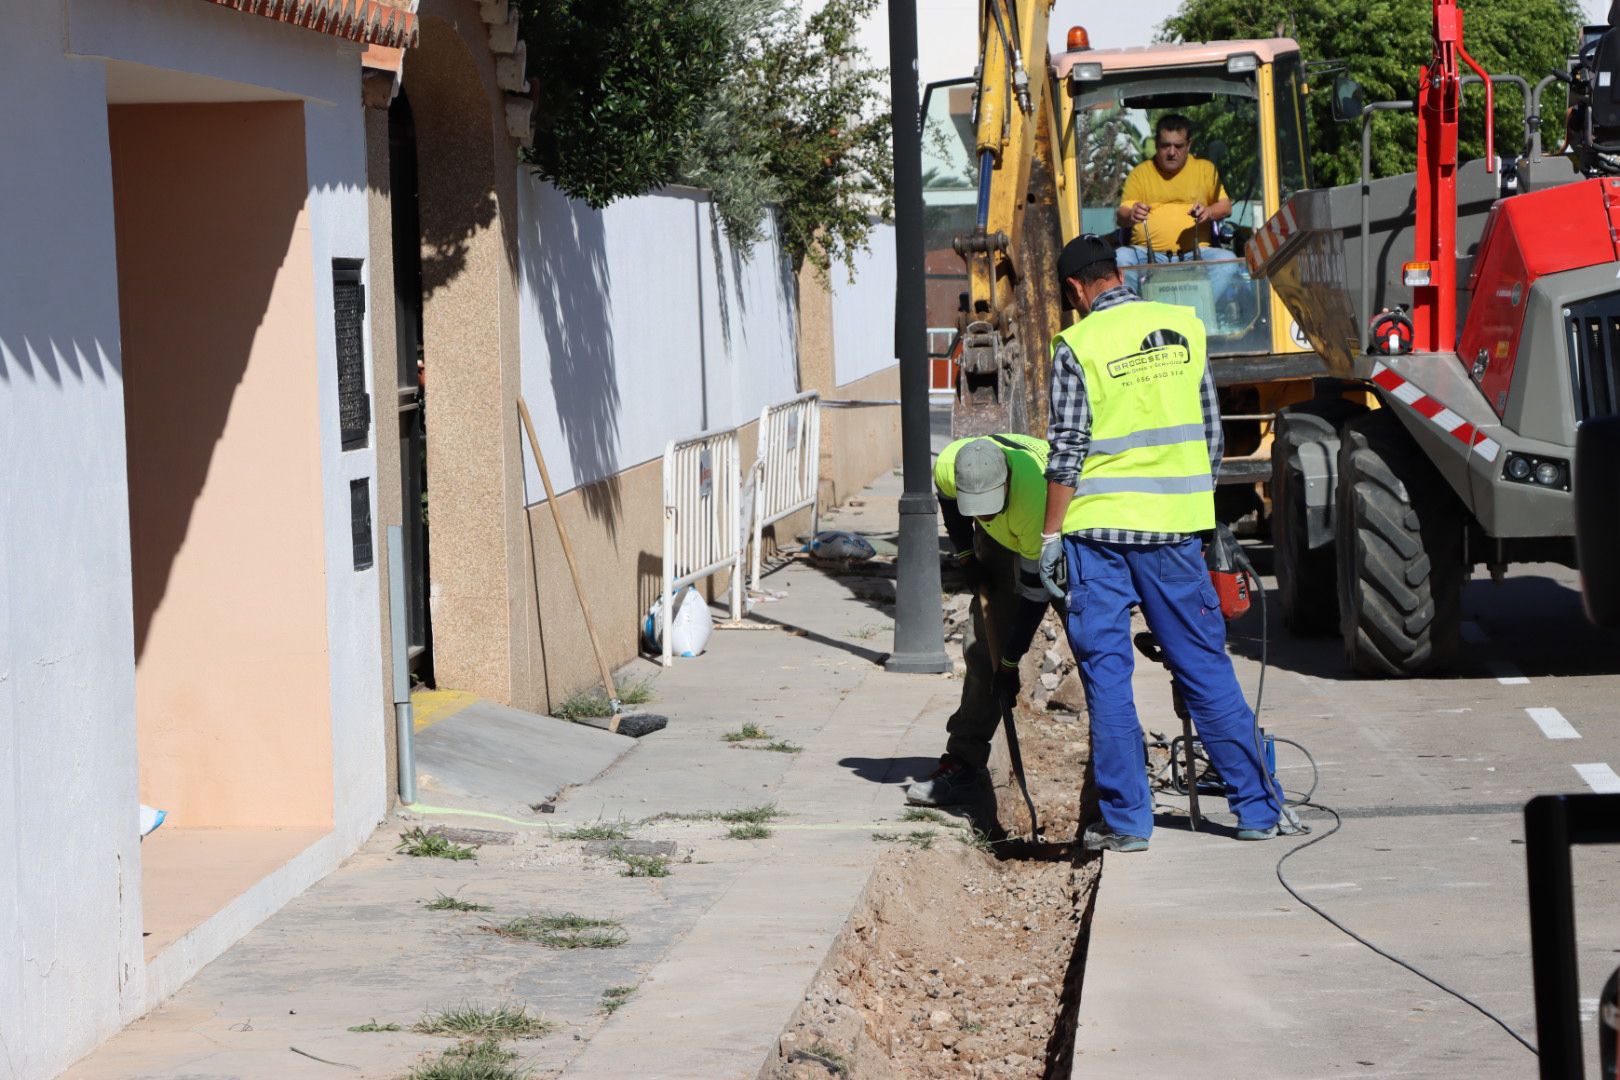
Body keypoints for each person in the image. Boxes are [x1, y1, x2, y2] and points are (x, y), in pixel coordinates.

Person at [1035, 234, 1300, 851]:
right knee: (1204, 667)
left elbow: (1067, 451)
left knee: (1107, 676)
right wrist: (1191, 514)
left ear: (1077, 288)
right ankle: (1257, 809)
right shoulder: (1182, 328)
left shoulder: (1078, 344)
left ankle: (1128, 823)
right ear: (1117, 273)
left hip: (1097, 538)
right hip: (1174, 535)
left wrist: (1051, 536)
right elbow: (1210, 439)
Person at [906, 435, 1057, 807]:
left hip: (1058, 528)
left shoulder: (1033, 499)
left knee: (1094, 646)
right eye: (978, 508)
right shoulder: (949, 466)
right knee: (980, 647)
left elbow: (1035, 595)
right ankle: (964, 762)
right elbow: (949, 502)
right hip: (1002, 537)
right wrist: (965, 556)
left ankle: (1117, 775)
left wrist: (1009, 662)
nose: (983, 515)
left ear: (1005, 481)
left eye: (989, 505)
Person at [1114, 114, 1236, 266]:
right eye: (1166, 146)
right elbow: (1121, 215)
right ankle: (1132, 292)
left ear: (1189, 145)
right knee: (1120, 258)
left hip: (1199, 253)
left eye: (1178, 146)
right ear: (1157, 144)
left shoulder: (1205, 169)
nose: (1172, 152)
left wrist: (1208, 212)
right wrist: (1132, 214)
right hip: (1144, 254)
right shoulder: (1140, 173)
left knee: (1228, 260)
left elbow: (1226, 207)